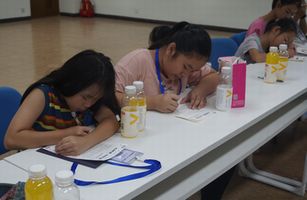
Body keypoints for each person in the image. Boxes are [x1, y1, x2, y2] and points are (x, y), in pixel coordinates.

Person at [4, 50, 120, 156]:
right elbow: (12, 139)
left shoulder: (93, 98)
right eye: (85, 97)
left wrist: (86, 142)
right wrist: (66, 134)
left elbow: (111, 121)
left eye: (95, 99)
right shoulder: (43, 95)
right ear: (71, 83)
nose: (89, 104)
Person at [115, 21, 219, 113]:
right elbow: (110, 96)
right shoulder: (137, 60)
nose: (187, 74)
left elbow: (214, 76)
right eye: (186, 67)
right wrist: (153, 102)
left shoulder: (187, 69)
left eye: (193, 70)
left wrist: (200, 91)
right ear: (171, 50)